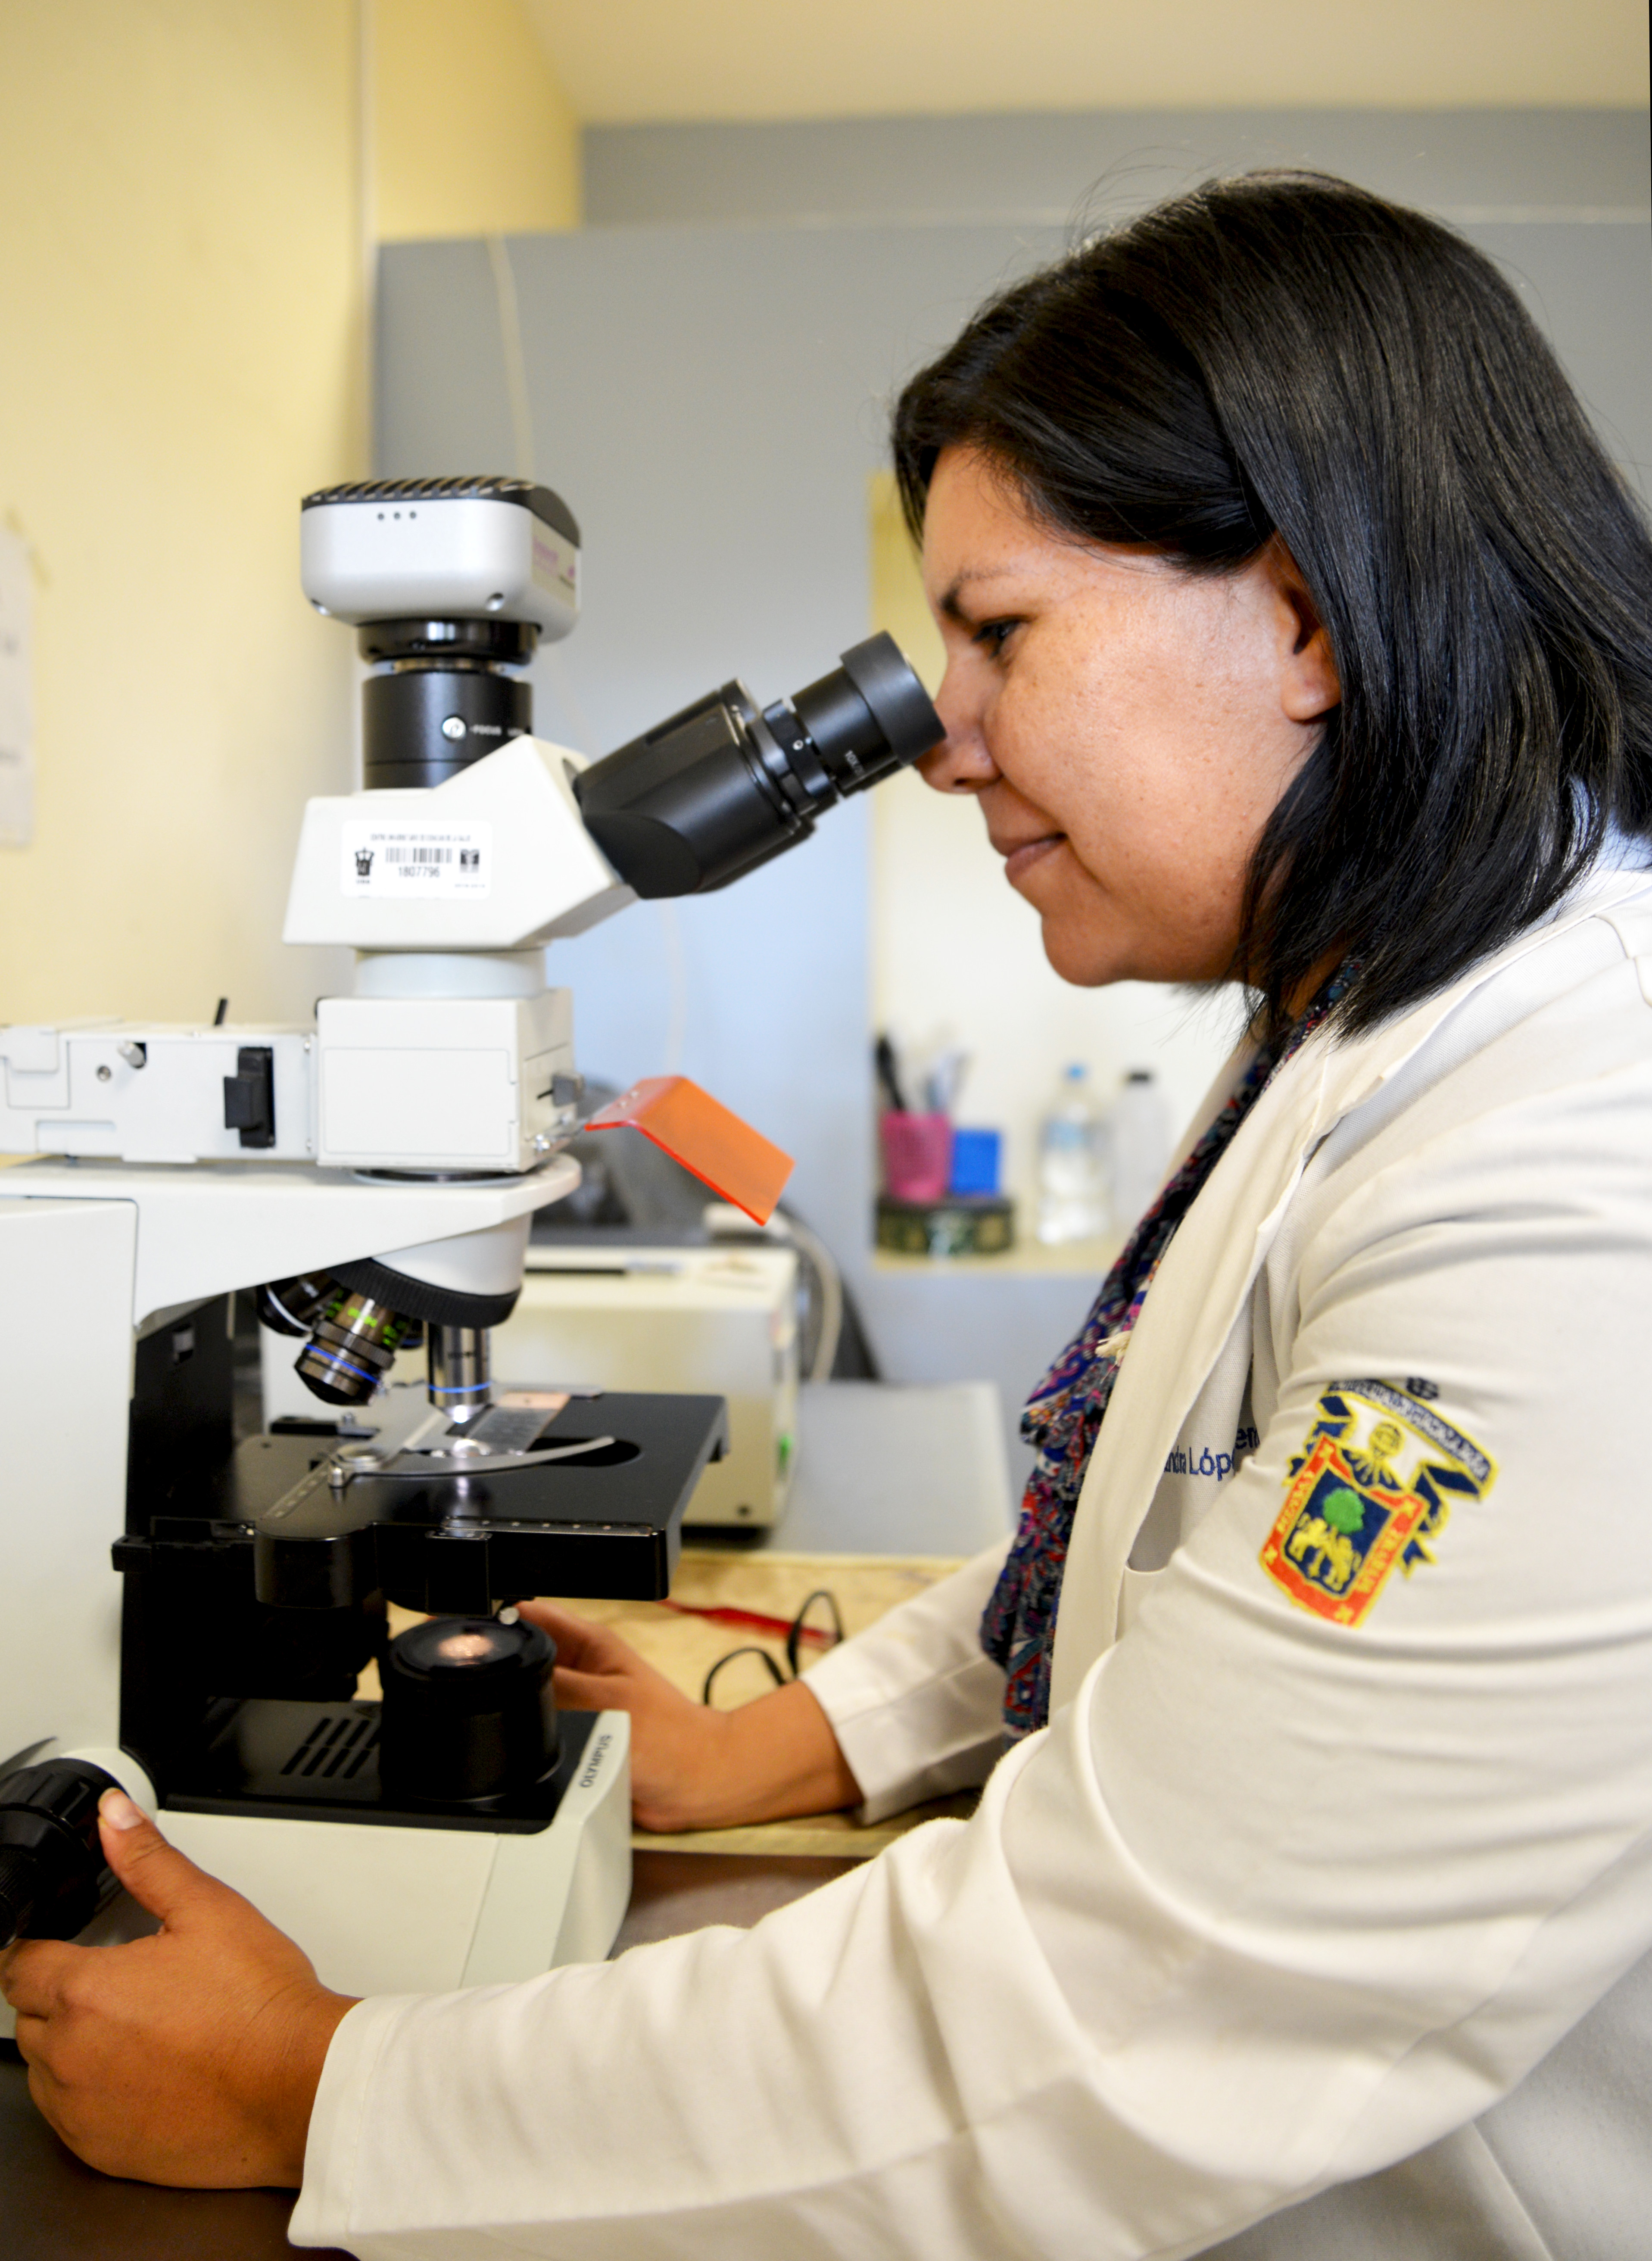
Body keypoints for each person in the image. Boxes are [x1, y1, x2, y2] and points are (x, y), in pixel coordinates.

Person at [8, 168, 1652, 2258]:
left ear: (1307, 619)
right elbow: (1160, 1527)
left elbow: (1118, 2006)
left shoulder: (1582, 1140)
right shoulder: (1354, 1022)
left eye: (996, 633)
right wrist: (789, 1735)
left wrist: (321, 2085)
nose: (939, 742)